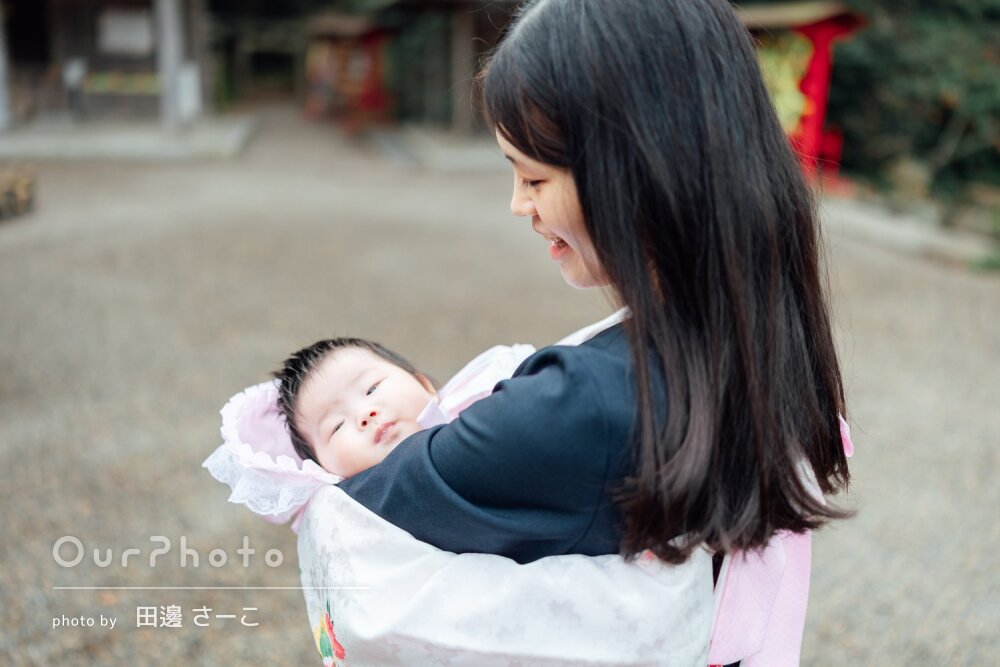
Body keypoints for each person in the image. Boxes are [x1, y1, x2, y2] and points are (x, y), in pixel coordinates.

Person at [338, 0, 851, 568]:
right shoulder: (770, 331)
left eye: (533, 176)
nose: (517, 205)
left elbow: (360, 508)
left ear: (637, 167)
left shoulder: (582, 402)